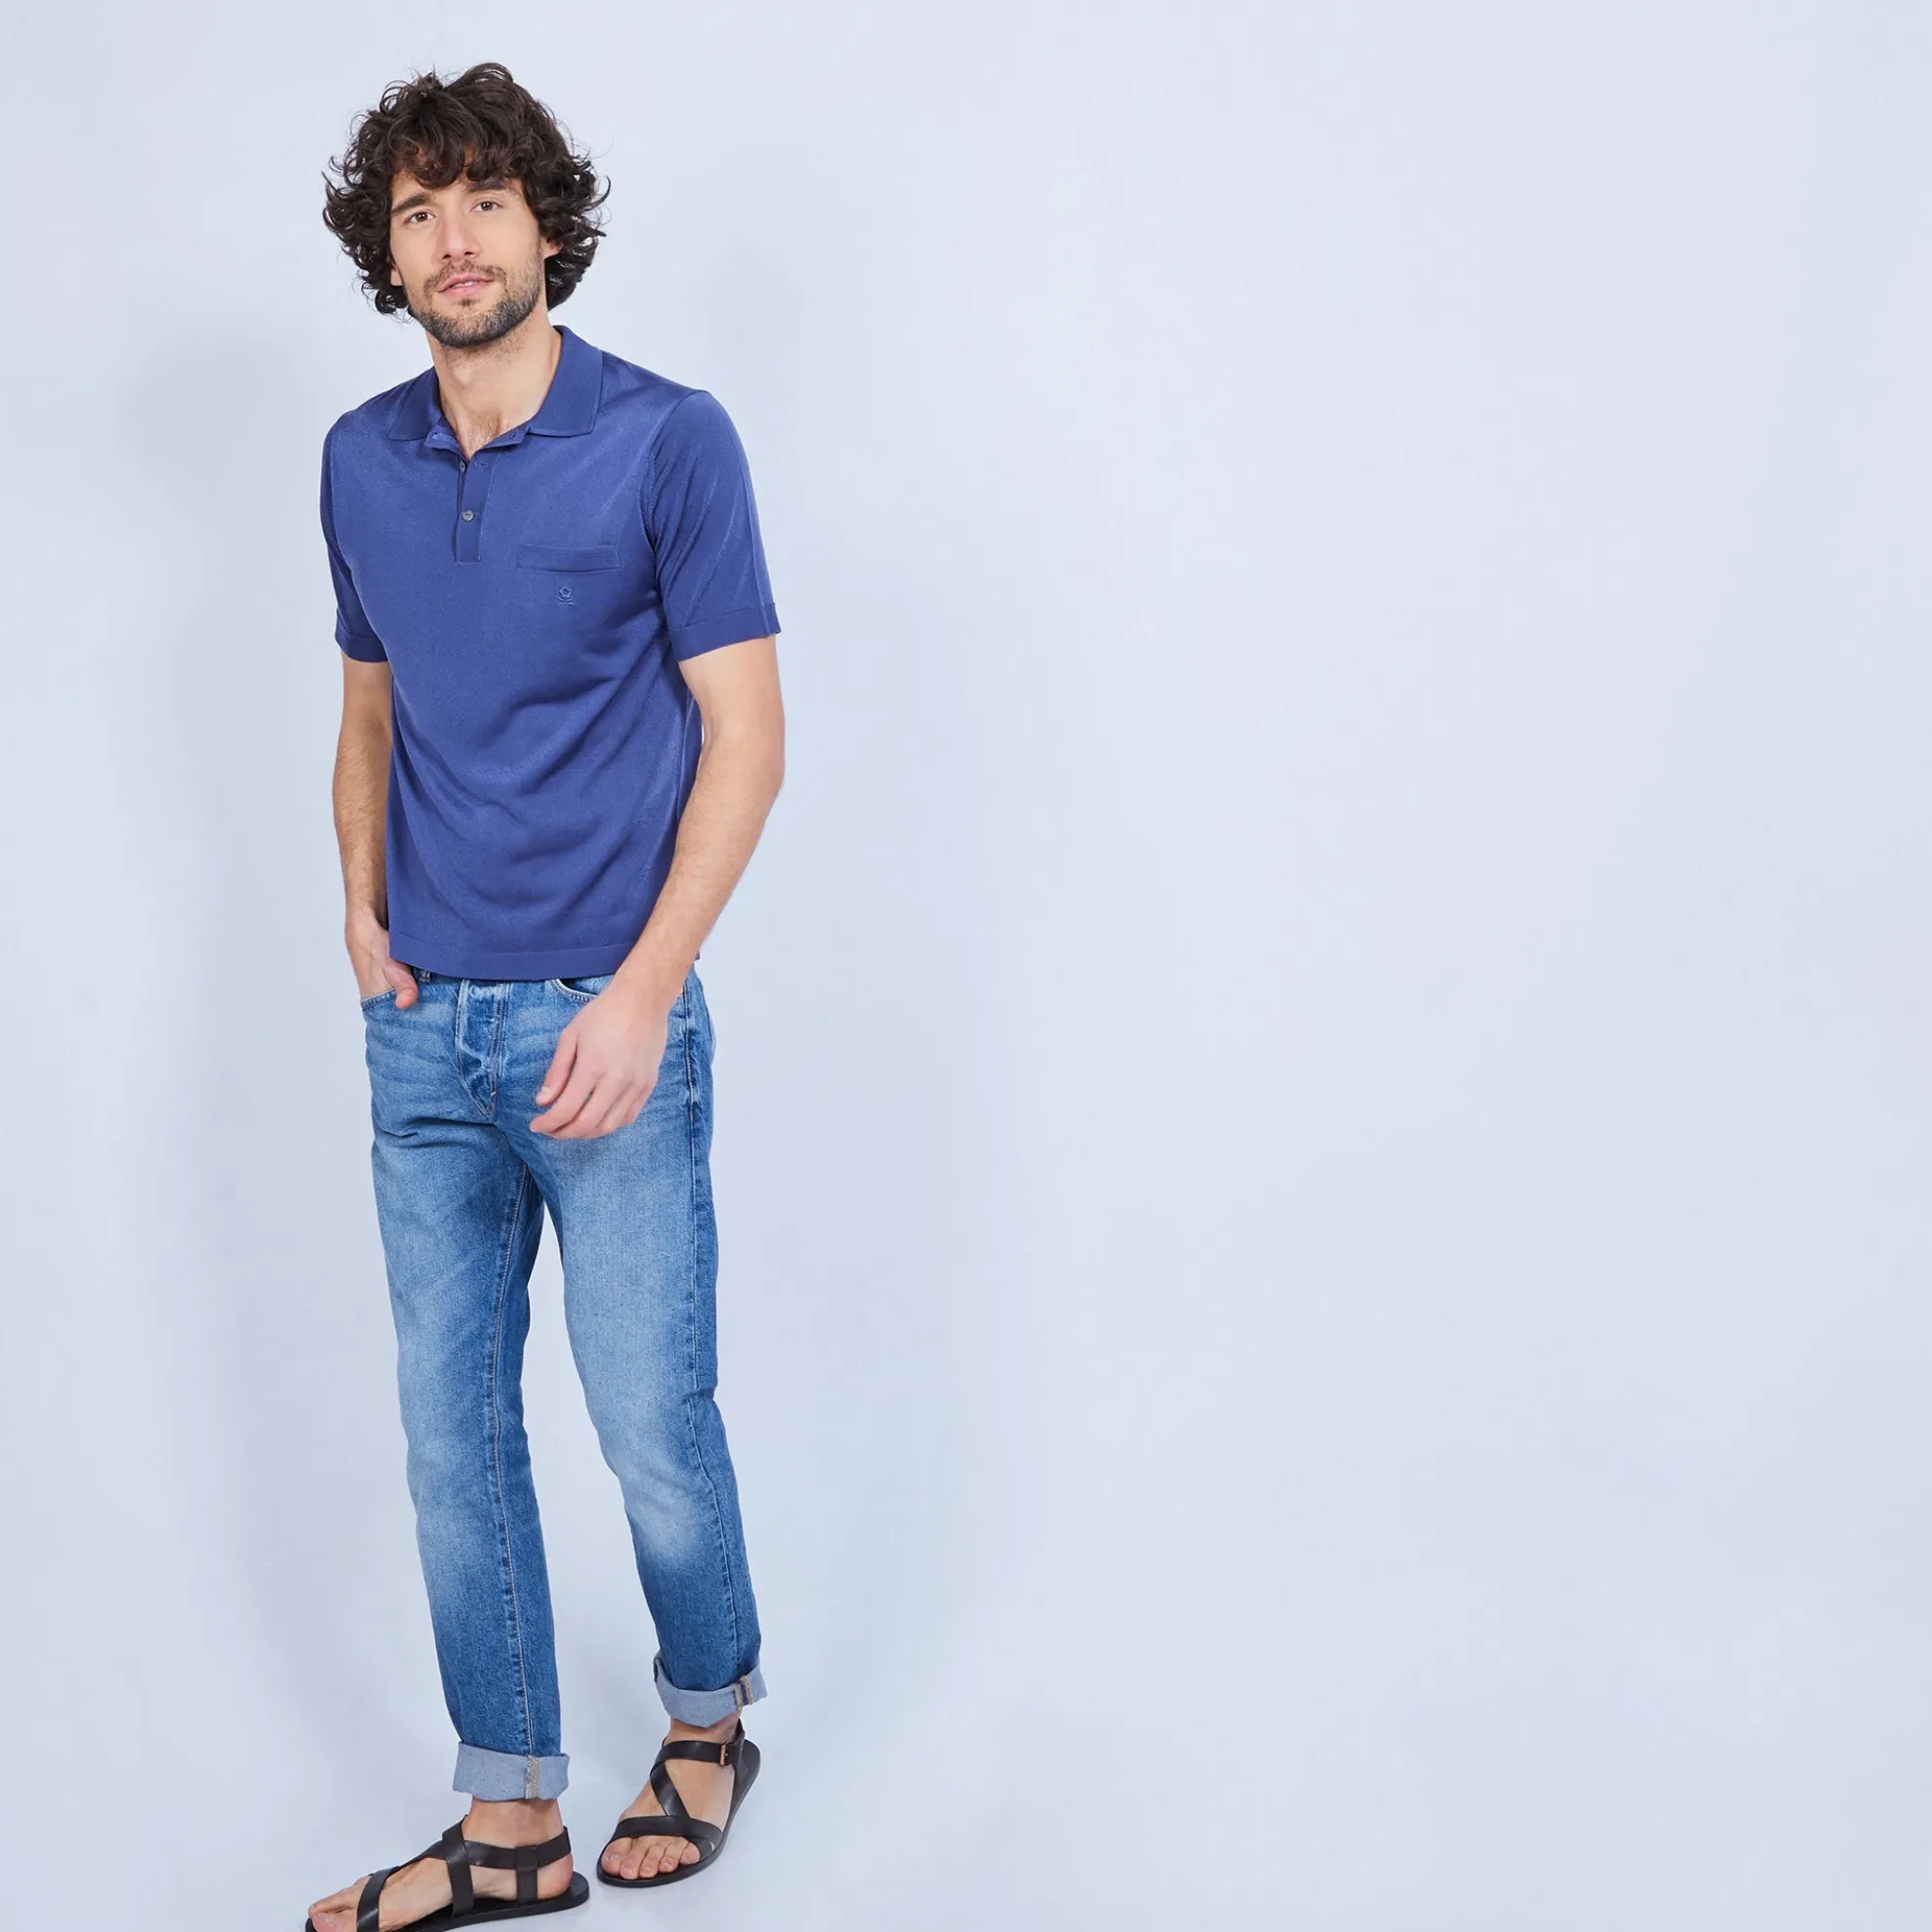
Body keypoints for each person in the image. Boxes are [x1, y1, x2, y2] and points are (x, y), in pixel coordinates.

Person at [304, 61, 784, 1932]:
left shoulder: (669, 441)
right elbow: (366, 707)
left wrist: (647, 993)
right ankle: (508, 1816)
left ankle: (709, 1717)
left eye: (483, 201)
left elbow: (746, 737)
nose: (453, 238)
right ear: (387, 253)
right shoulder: (358, 458)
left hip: (608, 1022)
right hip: (423, 1031)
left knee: (651, 1420)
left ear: (547, 225)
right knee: (452, 1438)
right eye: (417, 210)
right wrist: (362, 913)